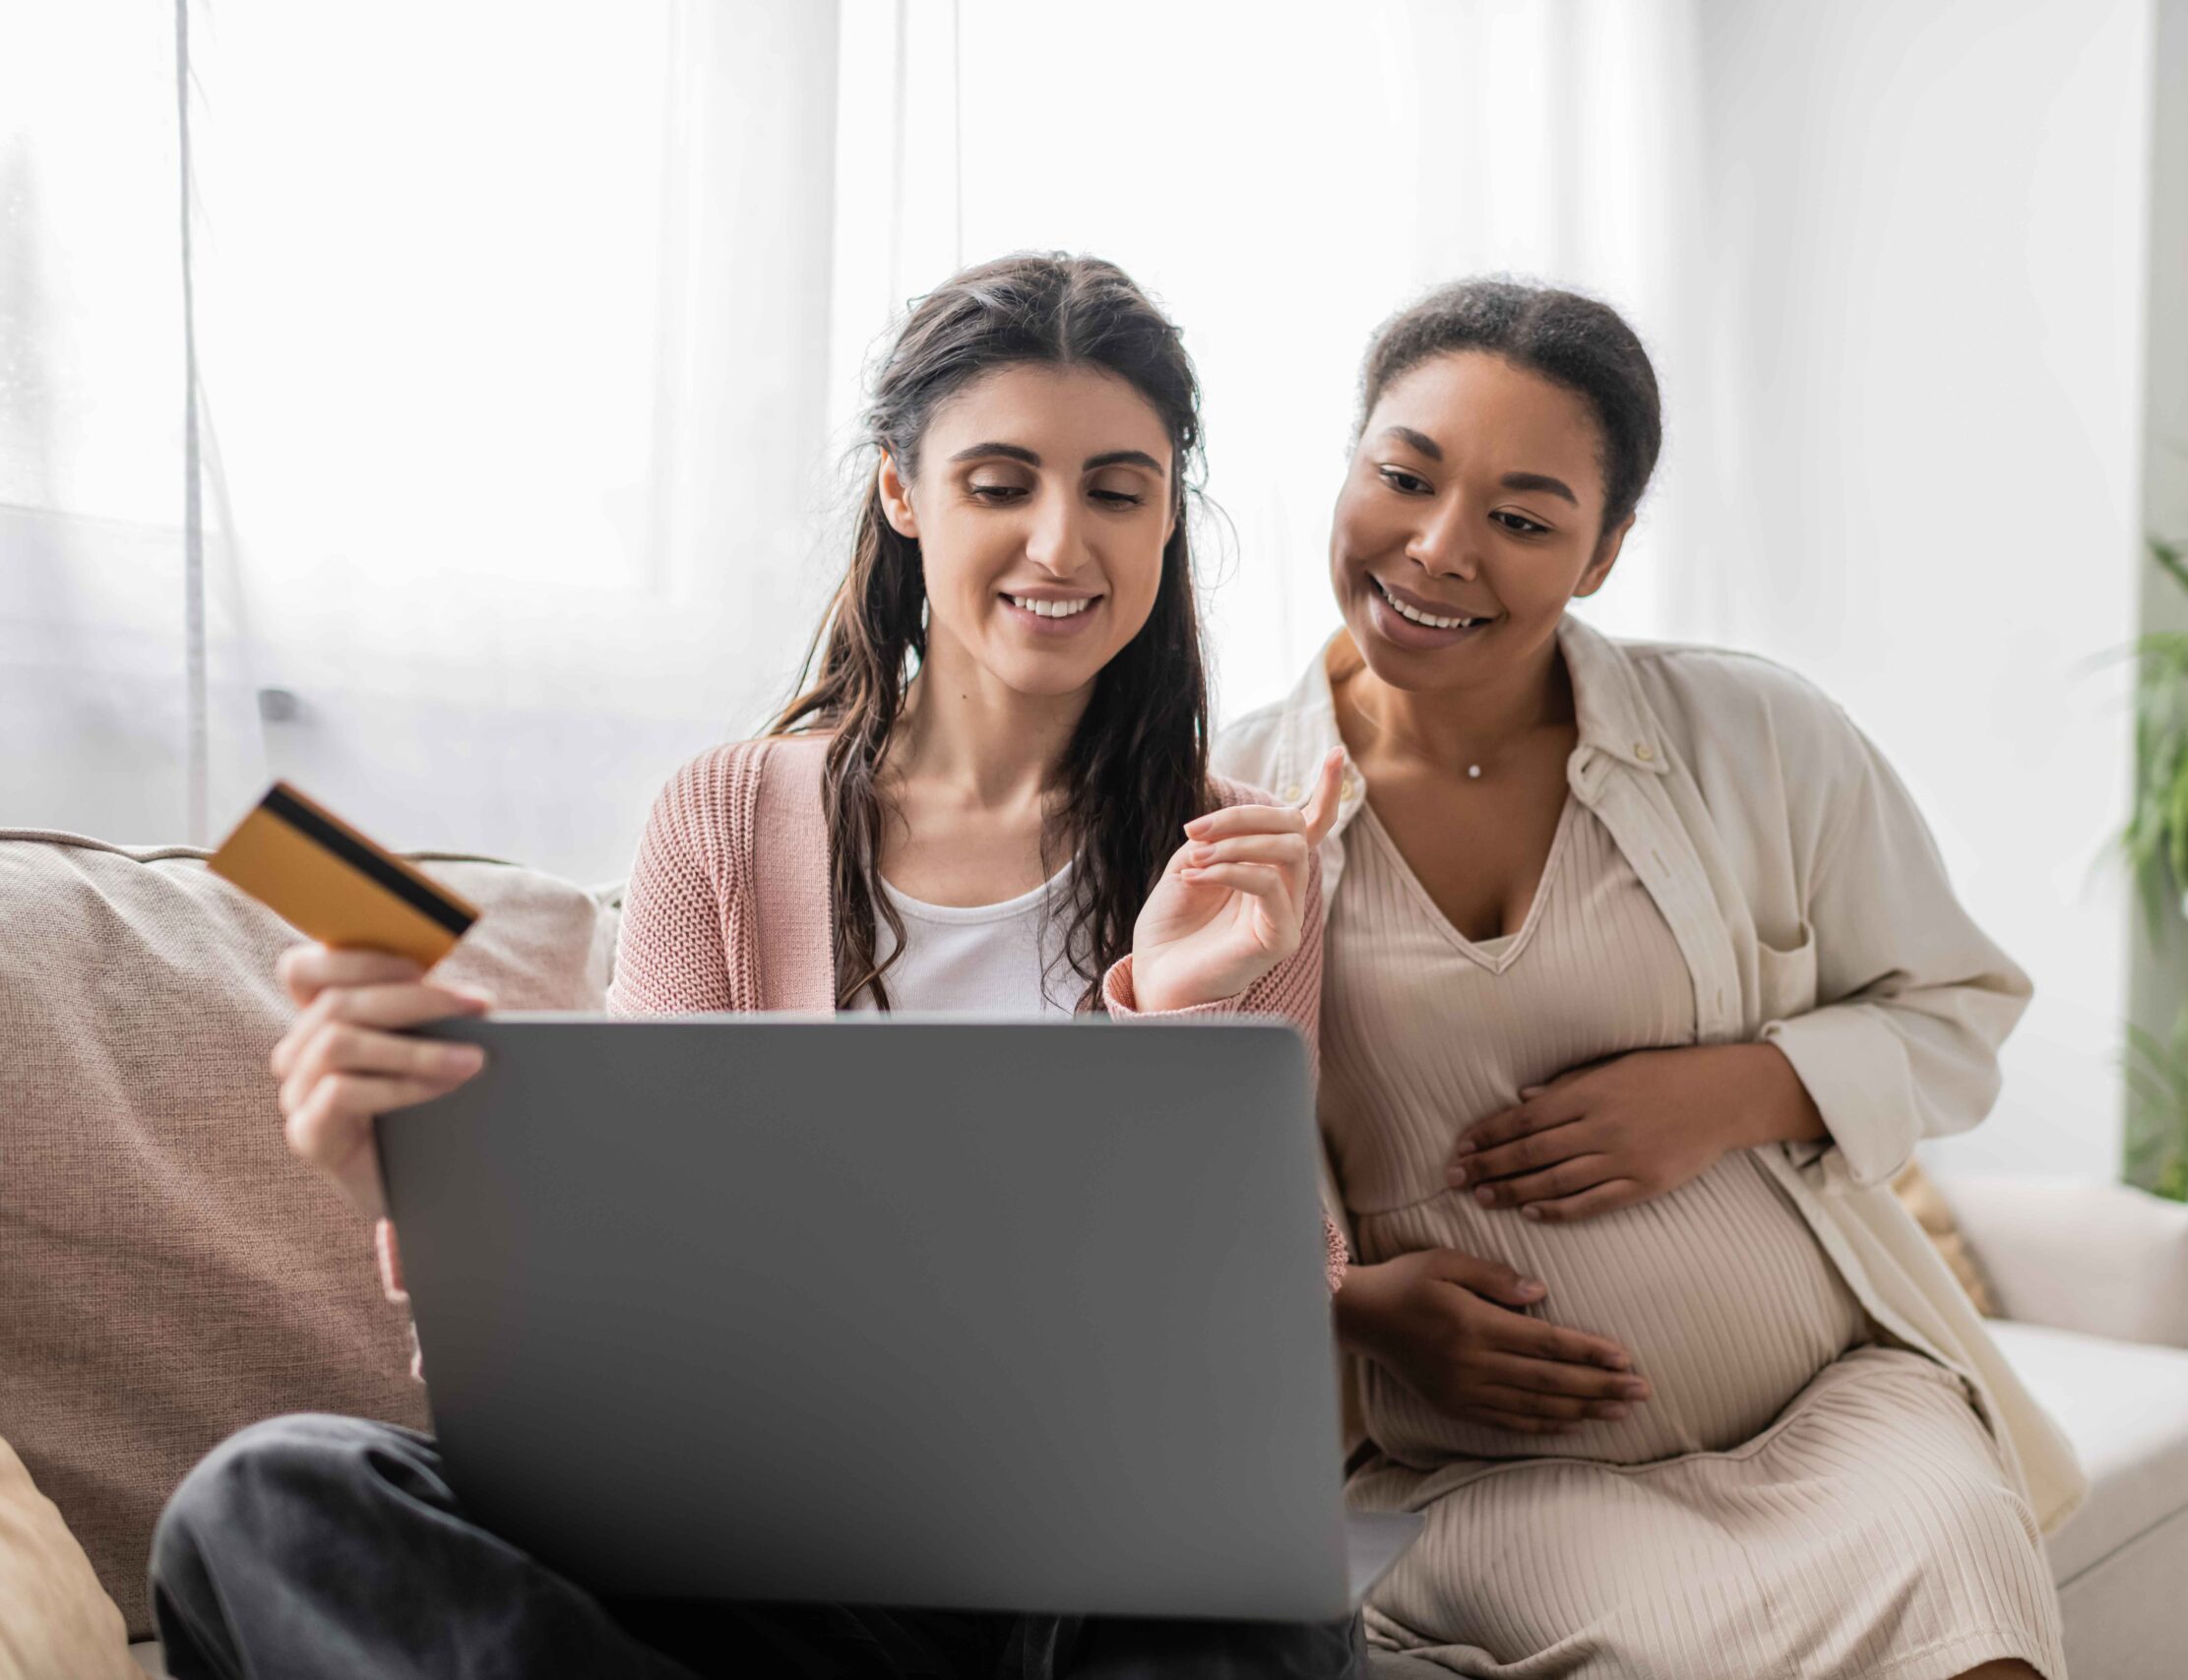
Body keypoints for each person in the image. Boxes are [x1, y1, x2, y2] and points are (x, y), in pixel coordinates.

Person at [150, 254, 1358, 1680]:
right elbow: (621, 1326)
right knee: (265, 1500)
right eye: (998, 482)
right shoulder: (724, 819)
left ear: (1169, 521)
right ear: (904, 496)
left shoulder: (1239, 865)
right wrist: (434, 1187)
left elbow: (1256, 1360)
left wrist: (1175, 1010)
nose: (1060, 543)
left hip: (1085, 1587)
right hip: (749, 1557)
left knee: (1263, 1608)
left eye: (1116, 488)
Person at [1217, 278, 2083, 1679]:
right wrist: (1359, 1310)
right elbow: (1180, 1182)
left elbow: (1960, 1017)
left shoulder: (1759, 735)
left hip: (1834, 1409)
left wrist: (1740, 1089)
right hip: (1491, 1479)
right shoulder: (1227, 803)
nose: (1440, 550)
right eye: (1404, 476)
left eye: (1523, 517)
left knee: (1967, 1595)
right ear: (1351, 465)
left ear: (1604, 552)